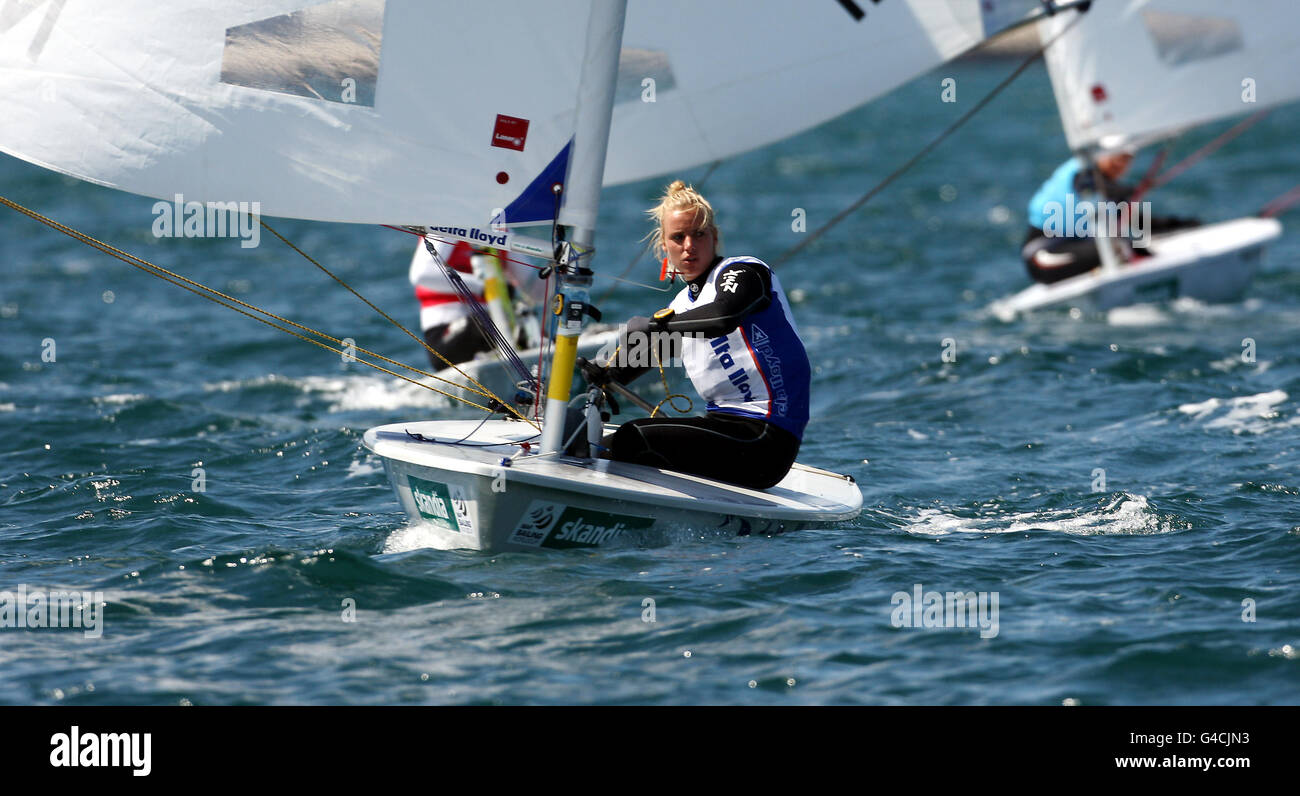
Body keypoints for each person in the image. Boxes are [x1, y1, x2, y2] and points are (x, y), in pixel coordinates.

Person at [583, 181, 810, 490]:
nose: (689, 245)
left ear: (714, 238)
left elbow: (723, 317)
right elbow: (624, 370)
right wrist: (602, 373)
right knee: (589, 442)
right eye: (678, 237)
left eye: (698, 234)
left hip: (767, 439)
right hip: (722, 428)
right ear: (664, 246)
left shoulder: (744, 272)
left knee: (632, 438)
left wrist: (654, 327)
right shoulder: (680, 308)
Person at [1022, 142, 1198, 284]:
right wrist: (1130, 191)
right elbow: (1096, 187)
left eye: (1127, 160)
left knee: (1133, 245)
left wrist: (1181, 225)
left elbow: (1138, 223)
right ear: (1101, 152)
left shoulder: (1102, 185)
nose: (1121, 165)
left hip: (1077, 247)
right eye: (1117, 158)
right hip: (1043, 257)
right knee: (1123, 247)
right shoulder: (1081, 173)